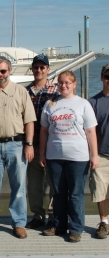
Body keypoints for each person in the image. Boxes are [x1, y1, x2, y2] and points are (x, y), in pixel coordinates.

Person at [0, 56, 36, 239]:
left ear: (9, 71)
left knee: (19, 186)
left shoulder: (21, 92)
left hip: (17, 145)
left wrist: (29, 145)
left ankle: (19, 223)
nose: (0, 74)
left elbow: (29, 121)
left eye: (3, 71)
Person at [40, 71, 99, 243]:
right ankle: (59, 225)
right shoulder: (50, 104)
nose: (63, 86)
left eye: (67, 83)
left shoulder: (83, 104)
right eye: (60, 83)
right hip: (54, 156)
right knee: (58, 192)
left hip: (78, 157)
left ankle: (76, 228)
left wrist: (94, 155)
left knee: (76, 194)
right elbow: (44, 131)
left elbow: (90, 131)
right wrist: (42, 153)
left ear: (74, 84)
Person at [25, 55, 59, 229]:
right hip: (32, 145)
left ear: (48, 69)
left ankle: (54, 216)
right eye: (36, 67)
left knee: (54, 183)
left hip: (52, 145)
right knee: (34, 184)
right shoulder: (25, 91)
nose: (39, 70)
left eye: (42, 67)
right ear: (32, 69)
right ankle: (37, 215)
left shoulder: (56, 91)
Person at [88, 63, 109, 239]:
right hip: (101, 155)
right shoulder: (92, 102)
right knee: (100, 192)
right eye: (107, 76)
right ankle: (104, 222)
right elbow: (89, 131)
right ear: (102, 78)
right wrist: (92, 155)